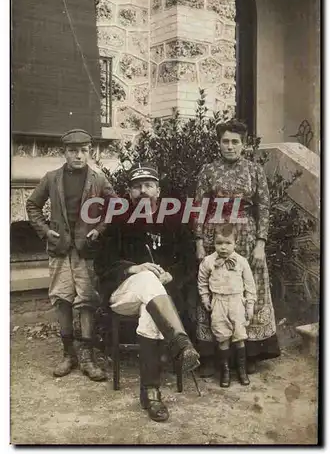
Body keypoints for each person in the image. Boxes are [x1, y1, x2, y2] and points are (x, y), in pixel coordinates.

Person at [95, 163, 200, 422]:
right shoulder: (118, 220)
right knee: (146, 278)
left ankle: (151, 393)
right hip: (123, 296)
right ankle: (180, 342)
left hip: (156, 302)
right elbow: (101, 264)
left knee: (150, 303)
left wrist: (171, 274)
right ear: (130, 193)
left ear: (158, 190)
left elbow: (189, 260)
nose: (143, 191)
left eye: (148, 186)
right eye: (137, 187)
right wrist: (134, 268)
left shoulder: (174, 220)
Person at [26, 128, 116, 381]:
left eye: (84, 151)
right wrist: (45, 231)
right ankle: (68, 354)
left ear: (90, 152)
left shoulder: (98, 179)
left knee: (86, 300)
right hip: (59, 249)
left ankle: (87, 357)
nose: (78, 155)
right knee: (61, 299)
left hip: (85, 251)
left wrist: (98, 229)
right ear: (64, 152)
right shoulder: (52, 178)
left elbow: (114, 206)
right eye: (73, 151)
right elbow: (32, 204)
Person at [194, 119, 280, 377]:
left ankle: (249, 353)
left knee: (248, 287)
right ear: (218, 143)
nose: (229, 146)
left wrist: (261, 243)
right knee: (213, 286)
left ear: (244, 144)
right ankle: (212, 356)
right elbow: (198, 206)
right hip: (214, 235)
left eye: (235, 142)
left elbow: (263, 206)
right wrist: (199, 241)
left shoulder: (254, 171)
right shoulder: (208, 170)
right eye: (225, 141)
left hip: (245, 235)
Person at [198, 223, 256, 387]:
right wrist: (205, 298)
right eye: (219, 243)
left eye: (228, 243)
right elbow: (202, 282)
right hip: (218, 301)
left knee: (239, 336)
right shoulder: (208, 262)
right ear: (214, 243)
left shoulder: (242, 262)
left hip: (237, 301)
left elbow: (250, 285)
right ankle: (225, 372)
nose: (223, 247)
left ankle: (242, 371)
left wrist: (250, 305)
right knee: (222, 336)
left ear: (235, 243)